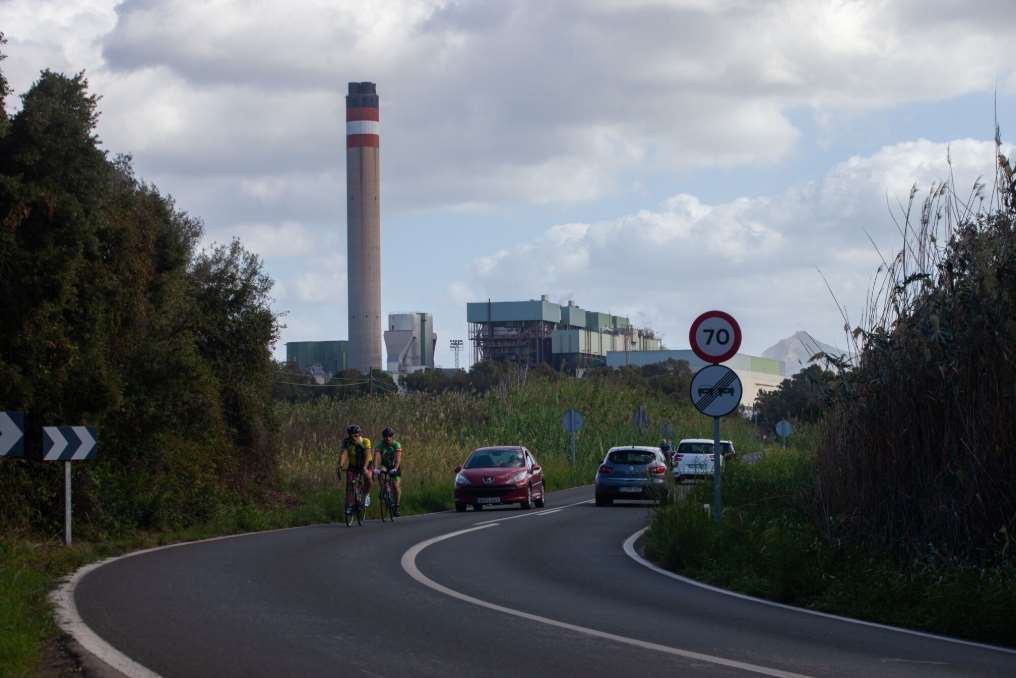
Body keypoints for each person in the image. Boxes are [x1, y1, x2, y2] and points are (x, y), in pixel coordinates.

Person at [338, 424, 374, 515]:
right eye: (351, 435)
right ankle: (350, 505)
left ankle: (366, 495)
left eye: (356, 435)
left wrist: (365, 468)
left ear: (359, 434)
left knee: (368, 479)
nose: (354, 437)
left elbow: (367, 455)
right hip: (353, 465)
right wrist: (340, 465)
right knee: (350, 484)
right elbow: (344, 454)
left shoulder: (365, 441)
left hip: (366, 463)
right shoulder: (346, 442)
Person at [375, 426, 403, 516]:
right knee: (381, 473)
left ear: (392, 436)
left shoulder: (396, 445)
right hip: (384, 465)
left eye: (390, 435)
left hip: (395, 465)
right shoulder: (379, 445)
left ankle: (397, 506)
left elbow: (398, 458)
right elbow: (377, 457)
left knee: (395, 486)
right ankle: (383, 489)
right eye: (386, 436)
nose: (388, 438)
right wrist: (375, 468)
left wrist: (395, 468)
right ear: (383, 437)